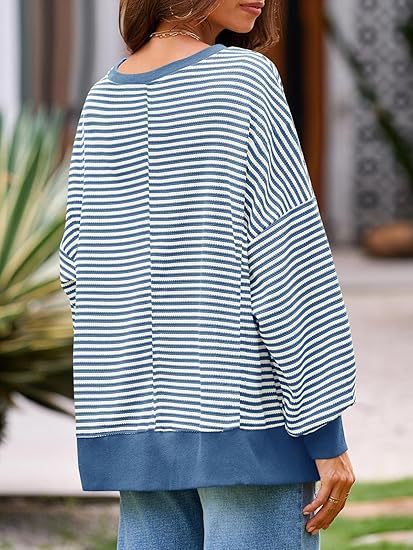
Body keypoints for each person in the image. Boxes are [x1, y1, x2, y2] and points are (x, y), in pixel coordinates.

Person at [59, 0, 357, 548]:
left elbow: (78, 267)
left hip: (135, 429)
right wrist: (324, 431)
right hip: (244, 419)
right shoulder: (245, 79)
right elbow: (287, 258)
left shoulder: (104, 98)